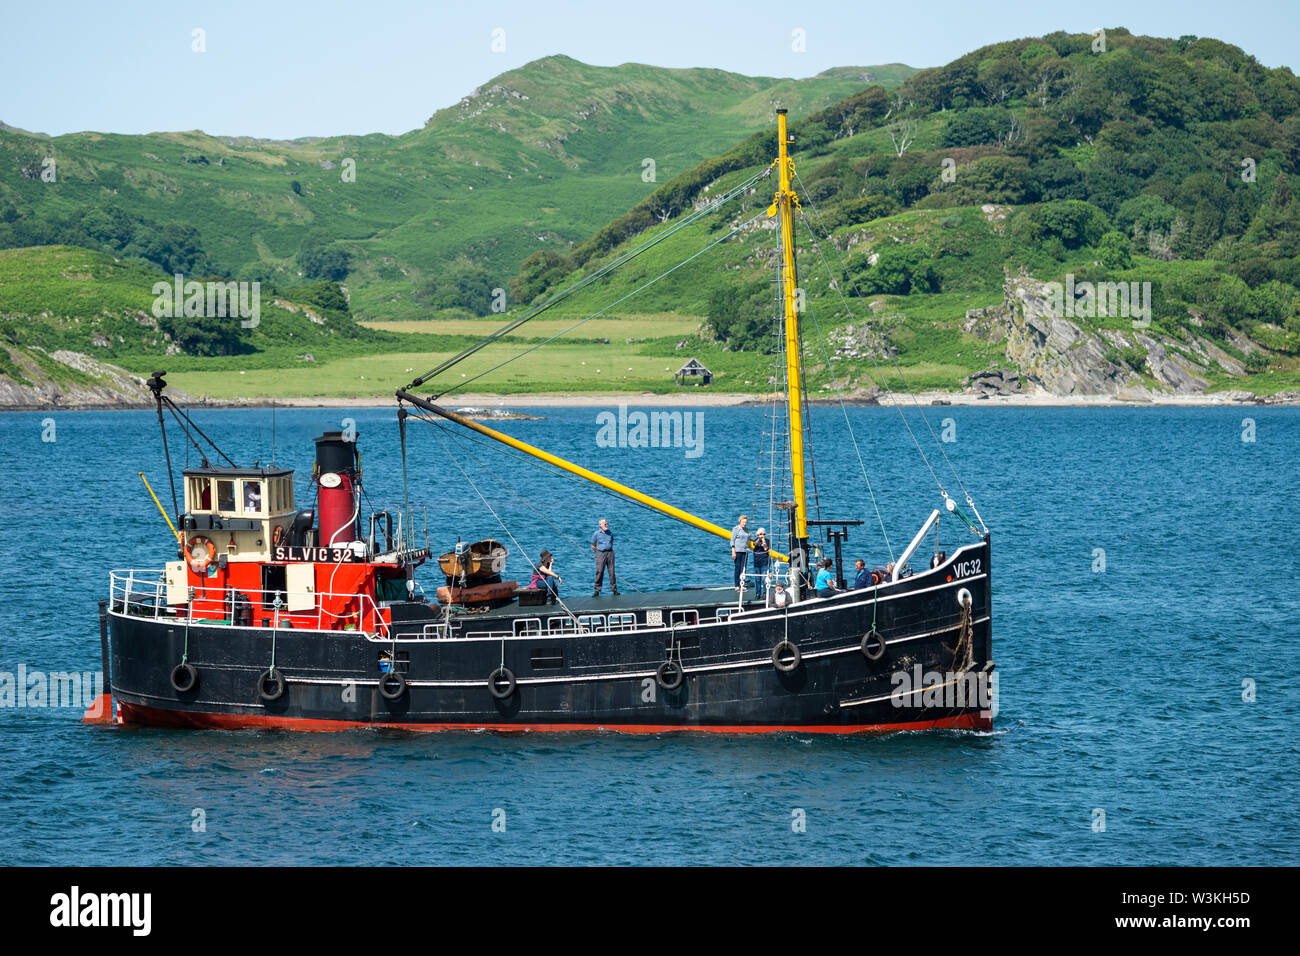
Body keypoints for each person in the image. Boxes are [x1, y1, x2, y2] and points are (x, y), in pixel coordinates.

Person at [591, 518, 617, 596]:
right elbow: (593, 545)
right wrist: (598, 553)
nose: (606, 525)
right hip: (600, 553)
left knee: (612, 572)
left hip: (610, 553)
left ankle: (614, 589)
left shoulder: (610, 533)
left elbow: (612, 542)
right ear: (600, 525)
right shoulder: (596, 534)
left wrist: (608, 548)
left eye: (607, 523)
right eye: (605, 524)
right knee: (599, 571)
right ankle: (597, 590)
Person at [730, 514, 751, 589]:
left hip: (745, 551)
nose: (744, 524)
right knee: (737, 567)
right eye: (743, 522)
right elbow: (732, 540)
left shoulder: (747, 530)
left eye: (745, 522)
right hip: (737, 551)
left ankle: (742, 583)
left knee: (743, 568)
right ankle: (736, 585)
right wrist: (733, 551)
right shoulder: (736, 529)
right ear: (740, 522)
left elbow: (749, 539)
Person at [751, 528, 771, 598]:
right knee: (757, 579)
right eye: (761, 534)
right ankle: (758, 593)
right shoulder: (755, 540)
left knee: (764, 579)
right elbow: (754, 544)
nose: (762, 535)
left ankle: (765, 593)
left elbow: (766, 548)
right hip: (757, 562)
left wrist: (763, 540)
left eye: (764, 534)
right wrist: (759, 538)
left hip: (764, 562)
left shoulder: (767, 541)